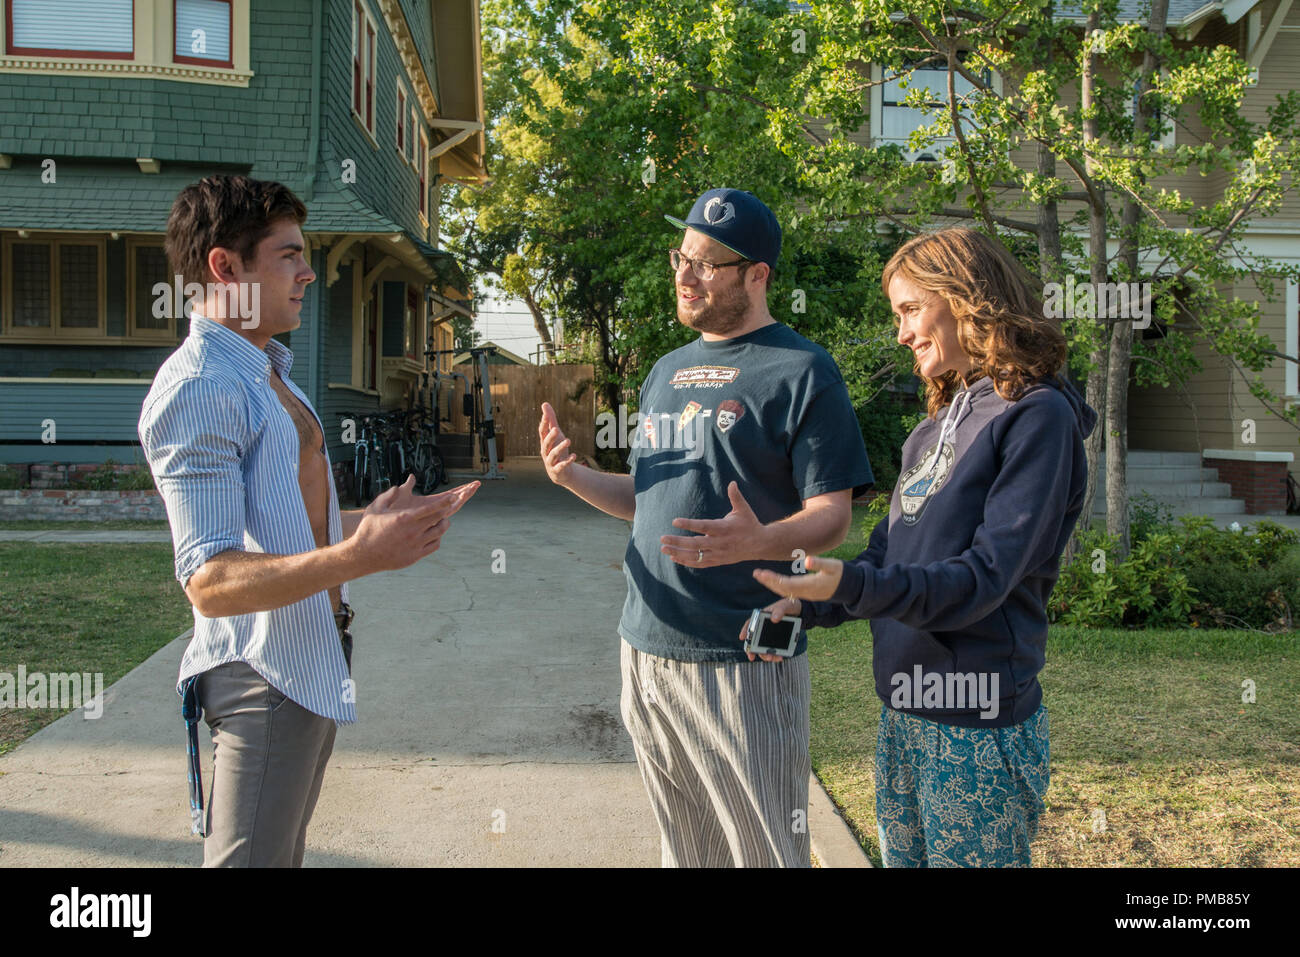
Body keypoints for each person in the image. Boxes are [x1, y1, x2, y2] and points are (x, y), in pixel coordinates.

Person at [138, 174, 479, 867]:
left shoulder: (267, 371)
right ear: (224, 267)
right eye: (289, 254)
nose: (309, 272)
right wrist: (360, 556)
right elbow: (209, 578)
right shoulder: (201, 387)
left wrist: (363, 522)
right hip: (261, 674)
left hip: (310, 660)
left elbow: (283, 519)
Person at [538, 188, 873, 867]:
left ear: (757, 275)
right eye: (681, 258)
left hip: (744, 658)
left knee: (767, 851)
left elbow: (832, 515)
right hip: (647, 649)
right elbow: (646, 498)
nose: (685, 277)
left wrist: (760, 540)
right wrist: (573, 475)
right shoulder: (666, 372)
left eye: (707, 265)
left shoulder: (805, 371)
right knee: (687, 851)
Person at [751, 226, 1096, 867]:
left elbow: (983, 580)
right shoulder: (933, 427)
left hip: (979, 726)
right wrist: (809, 604)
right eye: (898, 315)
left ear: (966, 297)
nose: (903, 332)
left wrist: (847, 587)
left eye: (911, 309)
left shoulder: (1037, 418)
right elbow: (886, 558)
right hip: (905, 714)